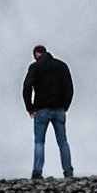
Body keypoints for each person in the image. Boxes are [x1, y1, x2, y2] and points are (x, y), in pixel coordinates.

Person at [23, 44, 73, 179]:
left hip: (42, 109)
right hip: (59, 109)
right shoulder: (62, 66)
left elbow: (27, 86)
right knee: (62, 141)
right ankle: (68, 172)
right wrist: (65, 106)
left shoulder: (35, 67)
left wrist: (30, 107)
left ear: (37, 54)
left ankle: (37, 172)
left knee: (39, 142)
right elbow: (69, 88)